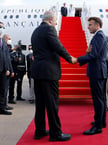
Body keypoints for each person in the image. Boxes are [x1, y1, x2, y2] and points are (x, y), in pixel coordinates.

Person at [31, 11, 76, 141]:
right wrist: (70, 59)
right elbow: (58, 47)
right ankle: (55, 133)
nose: (56, 23)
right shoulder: (49, 29)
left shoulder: (36, 31)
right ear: (51, 20)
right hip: (48, 73)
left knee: (40, 104)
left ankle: (39, 131)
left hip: (38, 72)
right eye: (56, 21)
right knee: (52, 104)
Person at [75, 17, 108, 135]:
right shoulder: (100, 36)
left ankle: (98, 127)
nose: (88, 27)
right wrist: (88, 52)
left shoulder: (99, 36)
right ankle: (101, 121)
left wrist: (78, 59)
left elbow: (94, 55)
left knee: (98, 99)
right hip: (100, 71)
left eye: (90, 25)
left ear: (97, 25)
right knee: (101, 99)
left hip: (97, 71)